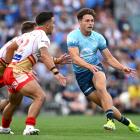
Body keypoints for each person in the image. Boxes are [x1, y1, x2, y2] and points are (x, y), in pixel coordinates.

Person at [67, 8, 140, 132]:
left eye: (92, 21)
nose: (90, 23)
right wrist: (88, 66)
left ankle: (110, 121)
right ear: (80, 22)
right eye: (87, 21)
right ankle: (129, 123)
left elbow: (109, 58)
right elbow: (74, 58)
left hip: (96, 68)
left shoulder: (98, 37)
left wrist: (122, 67)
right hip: (81, 75)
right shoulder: (73, 36)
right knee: (105, 105)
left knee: (101, 88)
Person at [0, 11, 67, 135]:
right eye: (53, 23)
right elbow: (45, 56)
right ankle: (29, 127)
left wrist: (10, 66)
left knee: (14, 102)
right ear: (47, 25)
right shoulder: (43, 36)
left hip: (9, 71)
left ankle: (4, 128)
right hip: (18, 72)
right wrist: (56, 73)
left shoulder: (27, 35)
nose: (54, 26)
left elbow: (10, 48)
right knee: (40, 96)